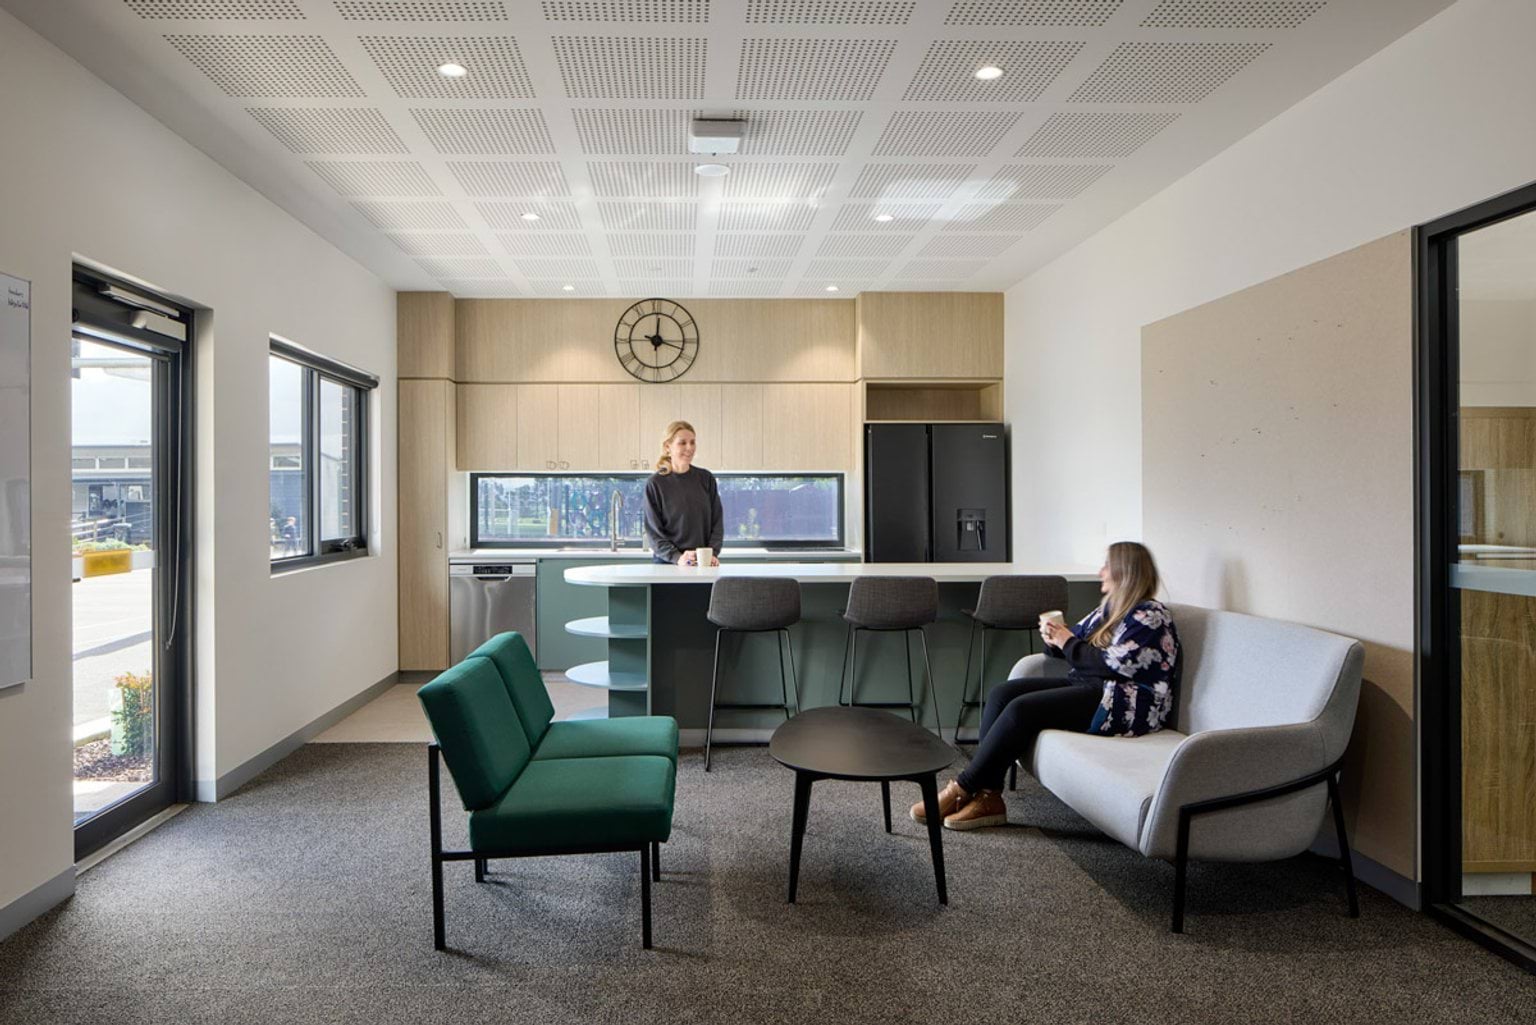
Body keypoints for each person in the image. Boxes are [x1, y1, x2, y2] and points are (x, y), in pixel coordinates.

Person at [913, 541, 1180, 830]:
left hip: (1126, 703)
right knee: (1002, 693)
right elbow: (1066, 649)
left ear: (1124, 572)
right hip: (1094, 688)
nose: (1101, 571)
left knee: (1021, 711)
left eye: (1107, 566)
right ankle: (989, 796)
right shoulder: (1111, 610)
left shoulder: (1150, 615)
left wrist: (1066, 640)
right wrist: (1053, 637)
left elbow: (1111, 664)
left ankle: (963, 788)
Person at [642, 420, 724, 566]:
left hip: (703, 564)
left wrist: (711, 553)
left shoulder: (706, 479)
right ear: (668, 447)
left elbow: (717, 523)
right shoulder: (655, 484)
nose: (689, 447)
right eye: (682, 443)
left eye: (692, 442)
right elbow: (654, 533)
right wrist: (678, 558)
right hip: (667, 566)